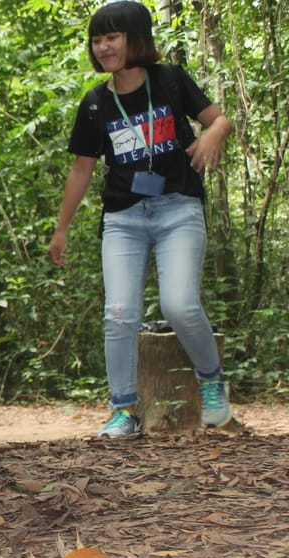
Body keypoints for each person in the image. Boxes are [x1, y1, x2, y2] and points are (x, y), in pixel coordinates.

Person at [48, 0, 234, 438]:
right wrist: (61, 229)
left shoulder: (169, 80)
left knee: (179, 304)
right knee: (118, 313)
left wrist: (211, 134)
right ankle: (124, 410)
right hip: (123, 218)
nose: (104, 47)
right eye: (97, 40)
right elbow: (82, 169)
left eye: (112, 36)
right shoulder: (95, 104)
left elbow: (221, 119)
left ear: (136, 39)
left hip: (178, 209)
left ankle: (211, 380)